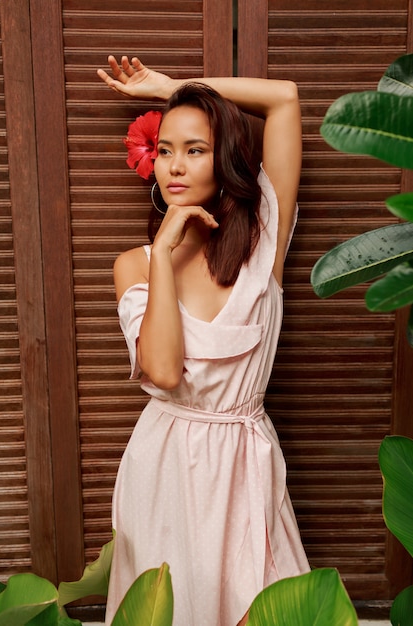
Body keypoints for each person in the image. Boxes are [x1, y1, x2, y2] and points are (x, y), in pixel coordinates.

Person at [97, 55, 310, 626]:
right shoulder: (135, 266)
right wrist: (164, 254)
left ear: (225, 160)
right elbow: (164, 372)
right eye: (164, 149)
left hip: (245, 463)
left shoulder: (264, 238)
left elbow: (284, 97)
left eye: (195, 149)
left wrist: (174, 88)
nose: (174, 165)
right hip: (164, 467)